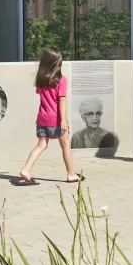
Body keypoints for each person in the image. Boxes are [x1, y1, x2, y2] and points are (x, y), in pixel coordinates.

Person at [13, 47, 83, 186]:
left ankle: (26, 170)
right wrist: (63, 119)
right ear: (57, 63)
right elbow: (61, 100)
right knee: (65, 145)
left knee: (41, 145)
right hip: (56, 119)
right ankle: (71, 174)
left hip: (42, 118)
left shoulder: (41, 80)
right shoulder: (61, 80)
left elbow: (43, 95)